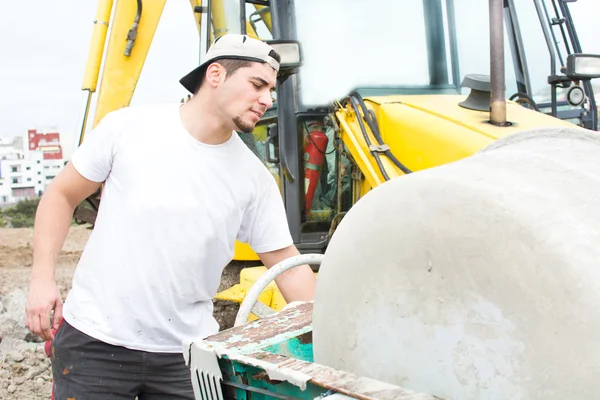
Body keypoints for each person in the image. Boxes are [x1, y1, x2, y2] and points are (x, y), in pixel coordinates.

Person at [25, 33, 317, 399]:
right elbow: (61, 194)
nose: (267, 99)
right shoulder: (129, 128)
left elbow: (284, 262)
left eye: (271, 90)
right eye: (257, 85)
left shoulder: (253, 178)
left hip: (185, 357)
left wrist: (333, 323)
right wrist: (41, 279)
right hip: (94, 343)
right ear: (215, 75)